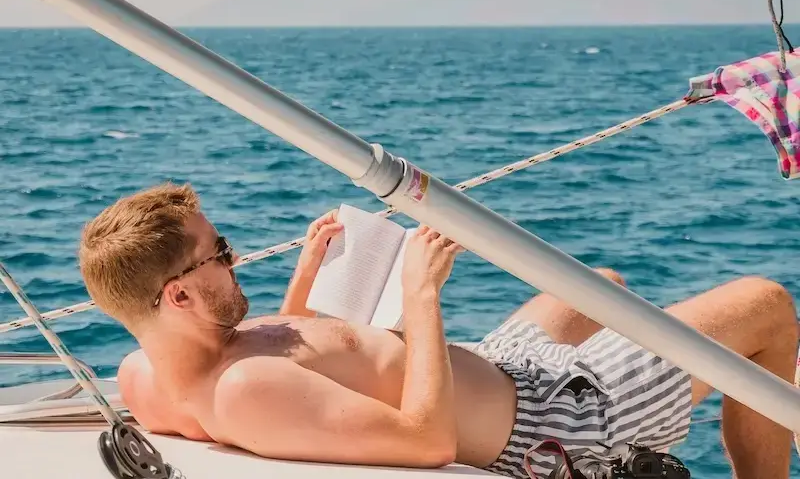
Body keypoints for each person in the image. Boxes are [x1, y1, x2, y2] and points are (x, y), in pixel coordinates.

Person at [78, 182, 797, 479]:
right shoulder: (244, 390)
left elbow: (300, 366)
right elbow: (428, 441)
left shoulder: (144, 375)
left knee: (597, 288)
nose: (235, 262)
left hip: (498, 368)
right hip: (562, 422)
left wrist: (307, 274)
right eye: (221, 255)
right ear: (178, 296)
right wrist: (421, 294)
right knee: (764, 304)